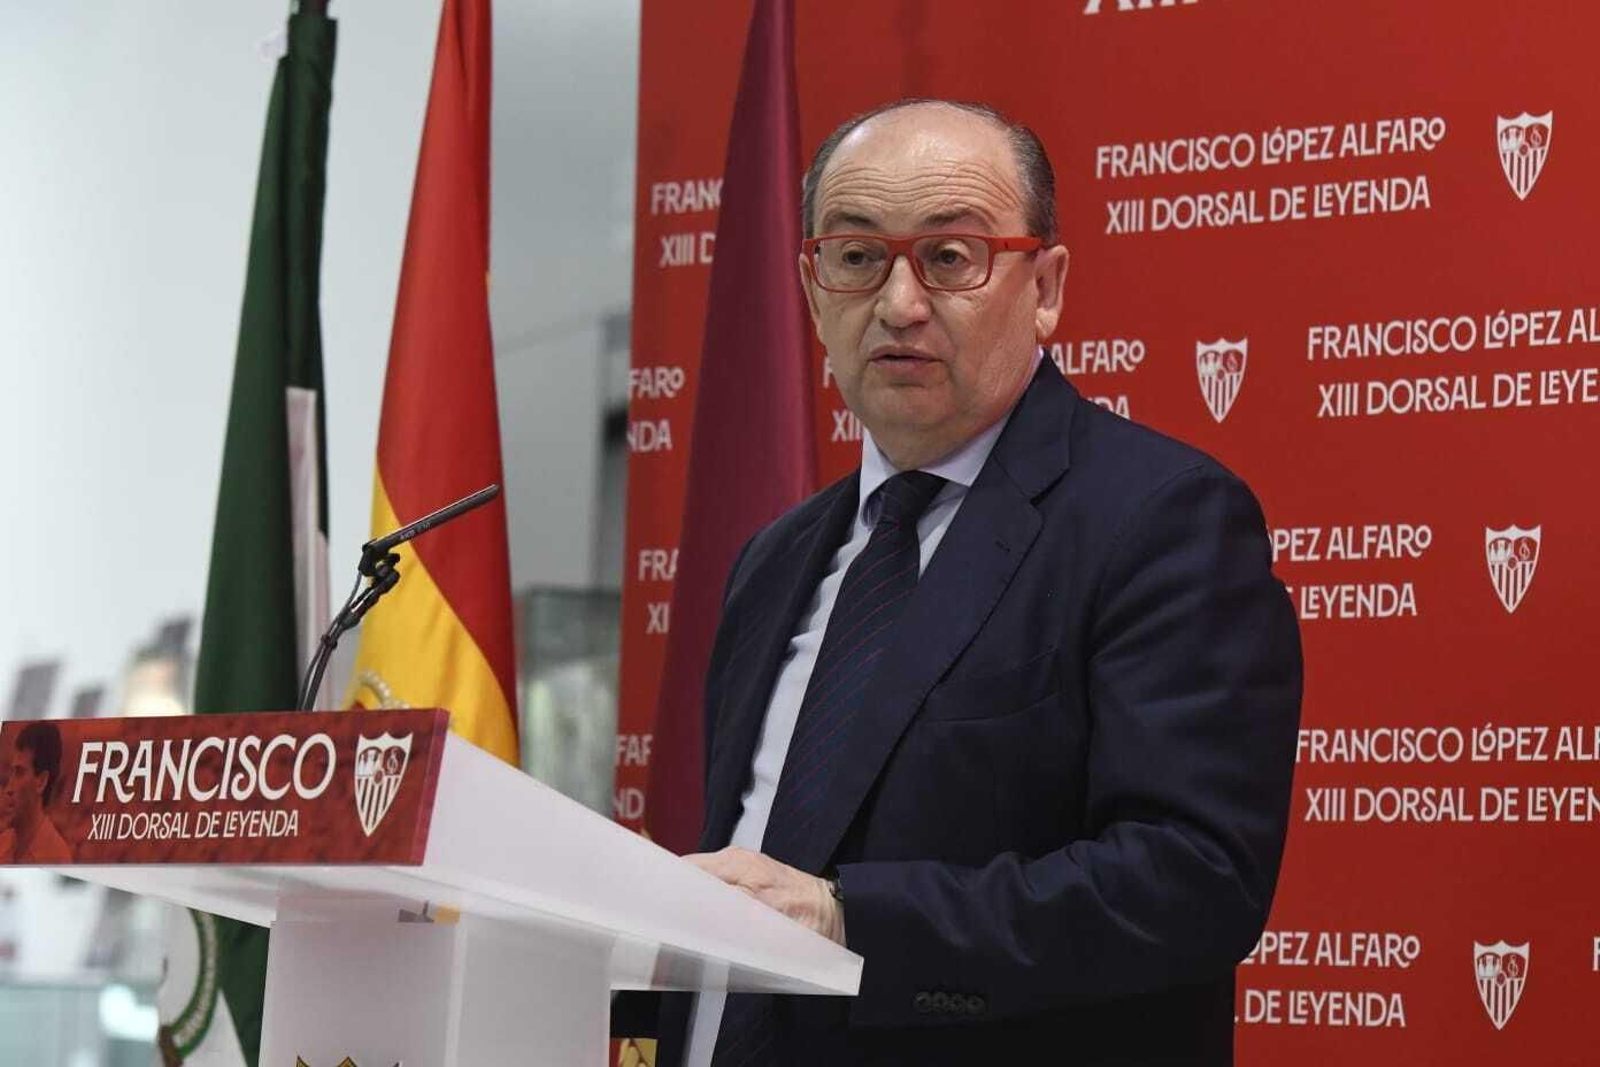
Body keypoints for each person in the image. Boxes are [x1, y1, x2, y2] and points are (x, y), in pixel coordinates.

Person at [623, 98, 1302, 1066]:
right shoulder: (773, 558)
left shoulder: (1159, 519)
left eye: (950, 257)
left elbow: (1189, 879)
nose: (898, 302)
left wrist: (843, 915)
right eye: (856, 258)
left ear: (1046, 285)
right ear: (813, 289)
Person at [5, 722, 73, 864]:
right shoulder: (3, 841)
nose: (8, 789)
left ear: (41, 782)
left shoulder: (57, 858)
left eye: (19, 773)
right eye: (12, 773)